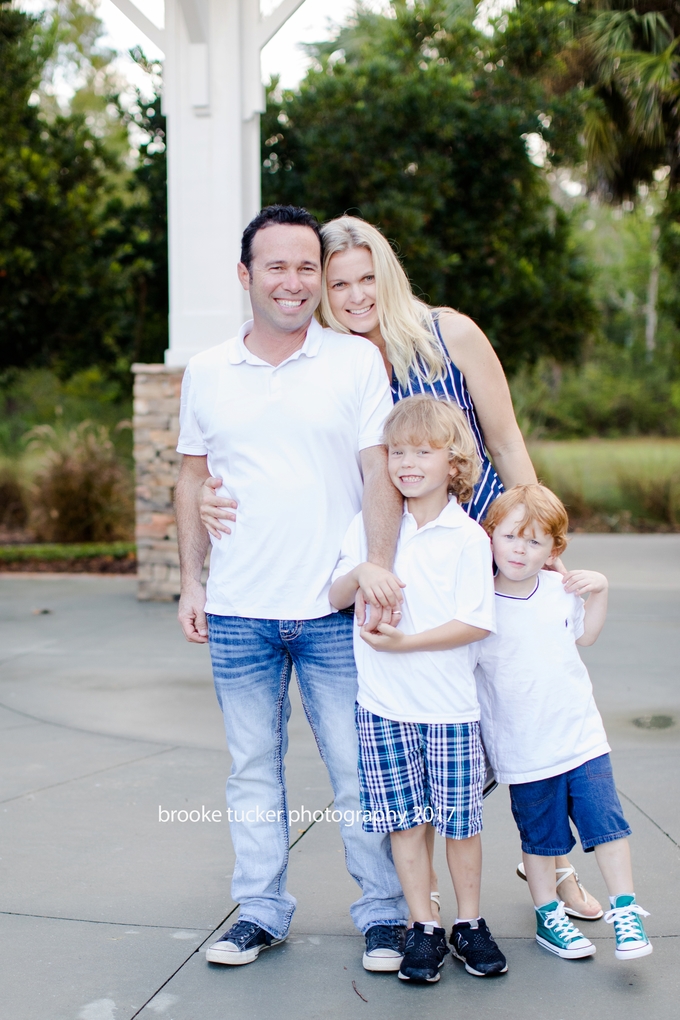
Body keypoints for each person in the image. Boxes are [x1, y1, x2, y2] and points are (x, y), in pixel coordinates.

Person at [200, 214, 602, 920]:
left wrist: (540, 538)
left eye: (367, 278)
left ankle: (555, 868)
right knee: (439, 732)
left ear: (389, 274)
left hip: (483, 551)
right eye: (338, 283)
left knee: (525, 717)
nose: (356, 296)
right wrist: (213, 494)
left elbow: (506, 442)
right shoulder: (331, 360)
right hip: (395, 570)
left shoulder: (451, 335)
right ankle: (426, 893)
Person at [175, 204, 411, 972]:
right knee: (250, 769)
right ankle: (260, 912)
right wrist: (191, 581)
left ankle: (382, 914)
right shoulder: (208, 371)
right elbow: (188, 478)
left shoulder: (353, 362)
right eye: (276, 265)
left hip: (334, 608)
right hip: (240, 610)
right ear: (246, 276)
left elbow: (379, 471)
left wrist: (377, 568)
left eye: (307, 266)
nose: (295, 281)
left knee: (354, 767)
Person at [330, 395, 508, 984]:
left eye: (422, 452)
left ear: (453, 463)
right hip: (383, 708)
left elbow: (476, 623)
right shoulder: (369, 527)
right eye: (397, 452)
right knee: (405, 824)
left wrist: (405, 643)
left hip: (449, 711)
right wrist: (363, 572)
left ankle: (470, 924)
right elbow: (331, 597)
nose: (406, 463)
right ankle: (423, 926)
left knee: (461, 825)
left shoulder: (467, 539)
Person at [475, 484, 653, 961]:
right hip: (523, 748)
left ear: (554, 550)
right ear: (489, 535)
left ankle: (625, 910)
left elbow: (587, 636)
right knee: (541, 839)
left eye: (535, 542)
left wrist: (601, 590)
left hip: (580, 738)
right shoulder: (475, 604)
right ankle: (548, 916)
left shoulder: (559, 591)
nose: (520, 549)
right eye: (511, 536)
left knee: (608, 826)